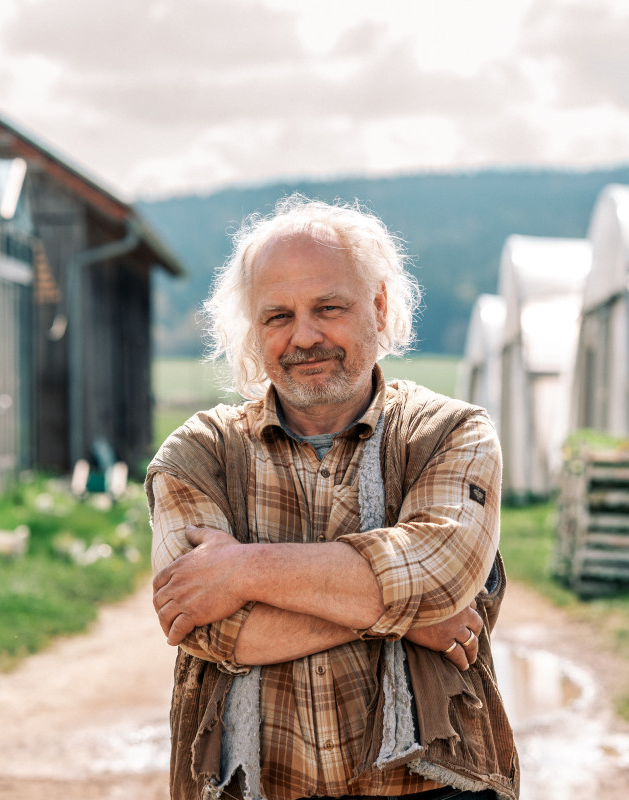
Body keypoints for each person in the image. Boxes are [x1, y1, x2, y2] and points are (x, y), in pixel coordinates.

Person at [146, 195, 517, 800]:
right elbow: (203, 627)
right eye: (277, 316)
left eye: (328, 308)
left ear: (377, 306)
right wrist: (400, 616)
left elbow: (441, 581)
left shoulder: (450, 432)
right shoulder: (200, 452)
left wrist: (240, 570)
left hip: (431, 786)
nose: (305, 337)